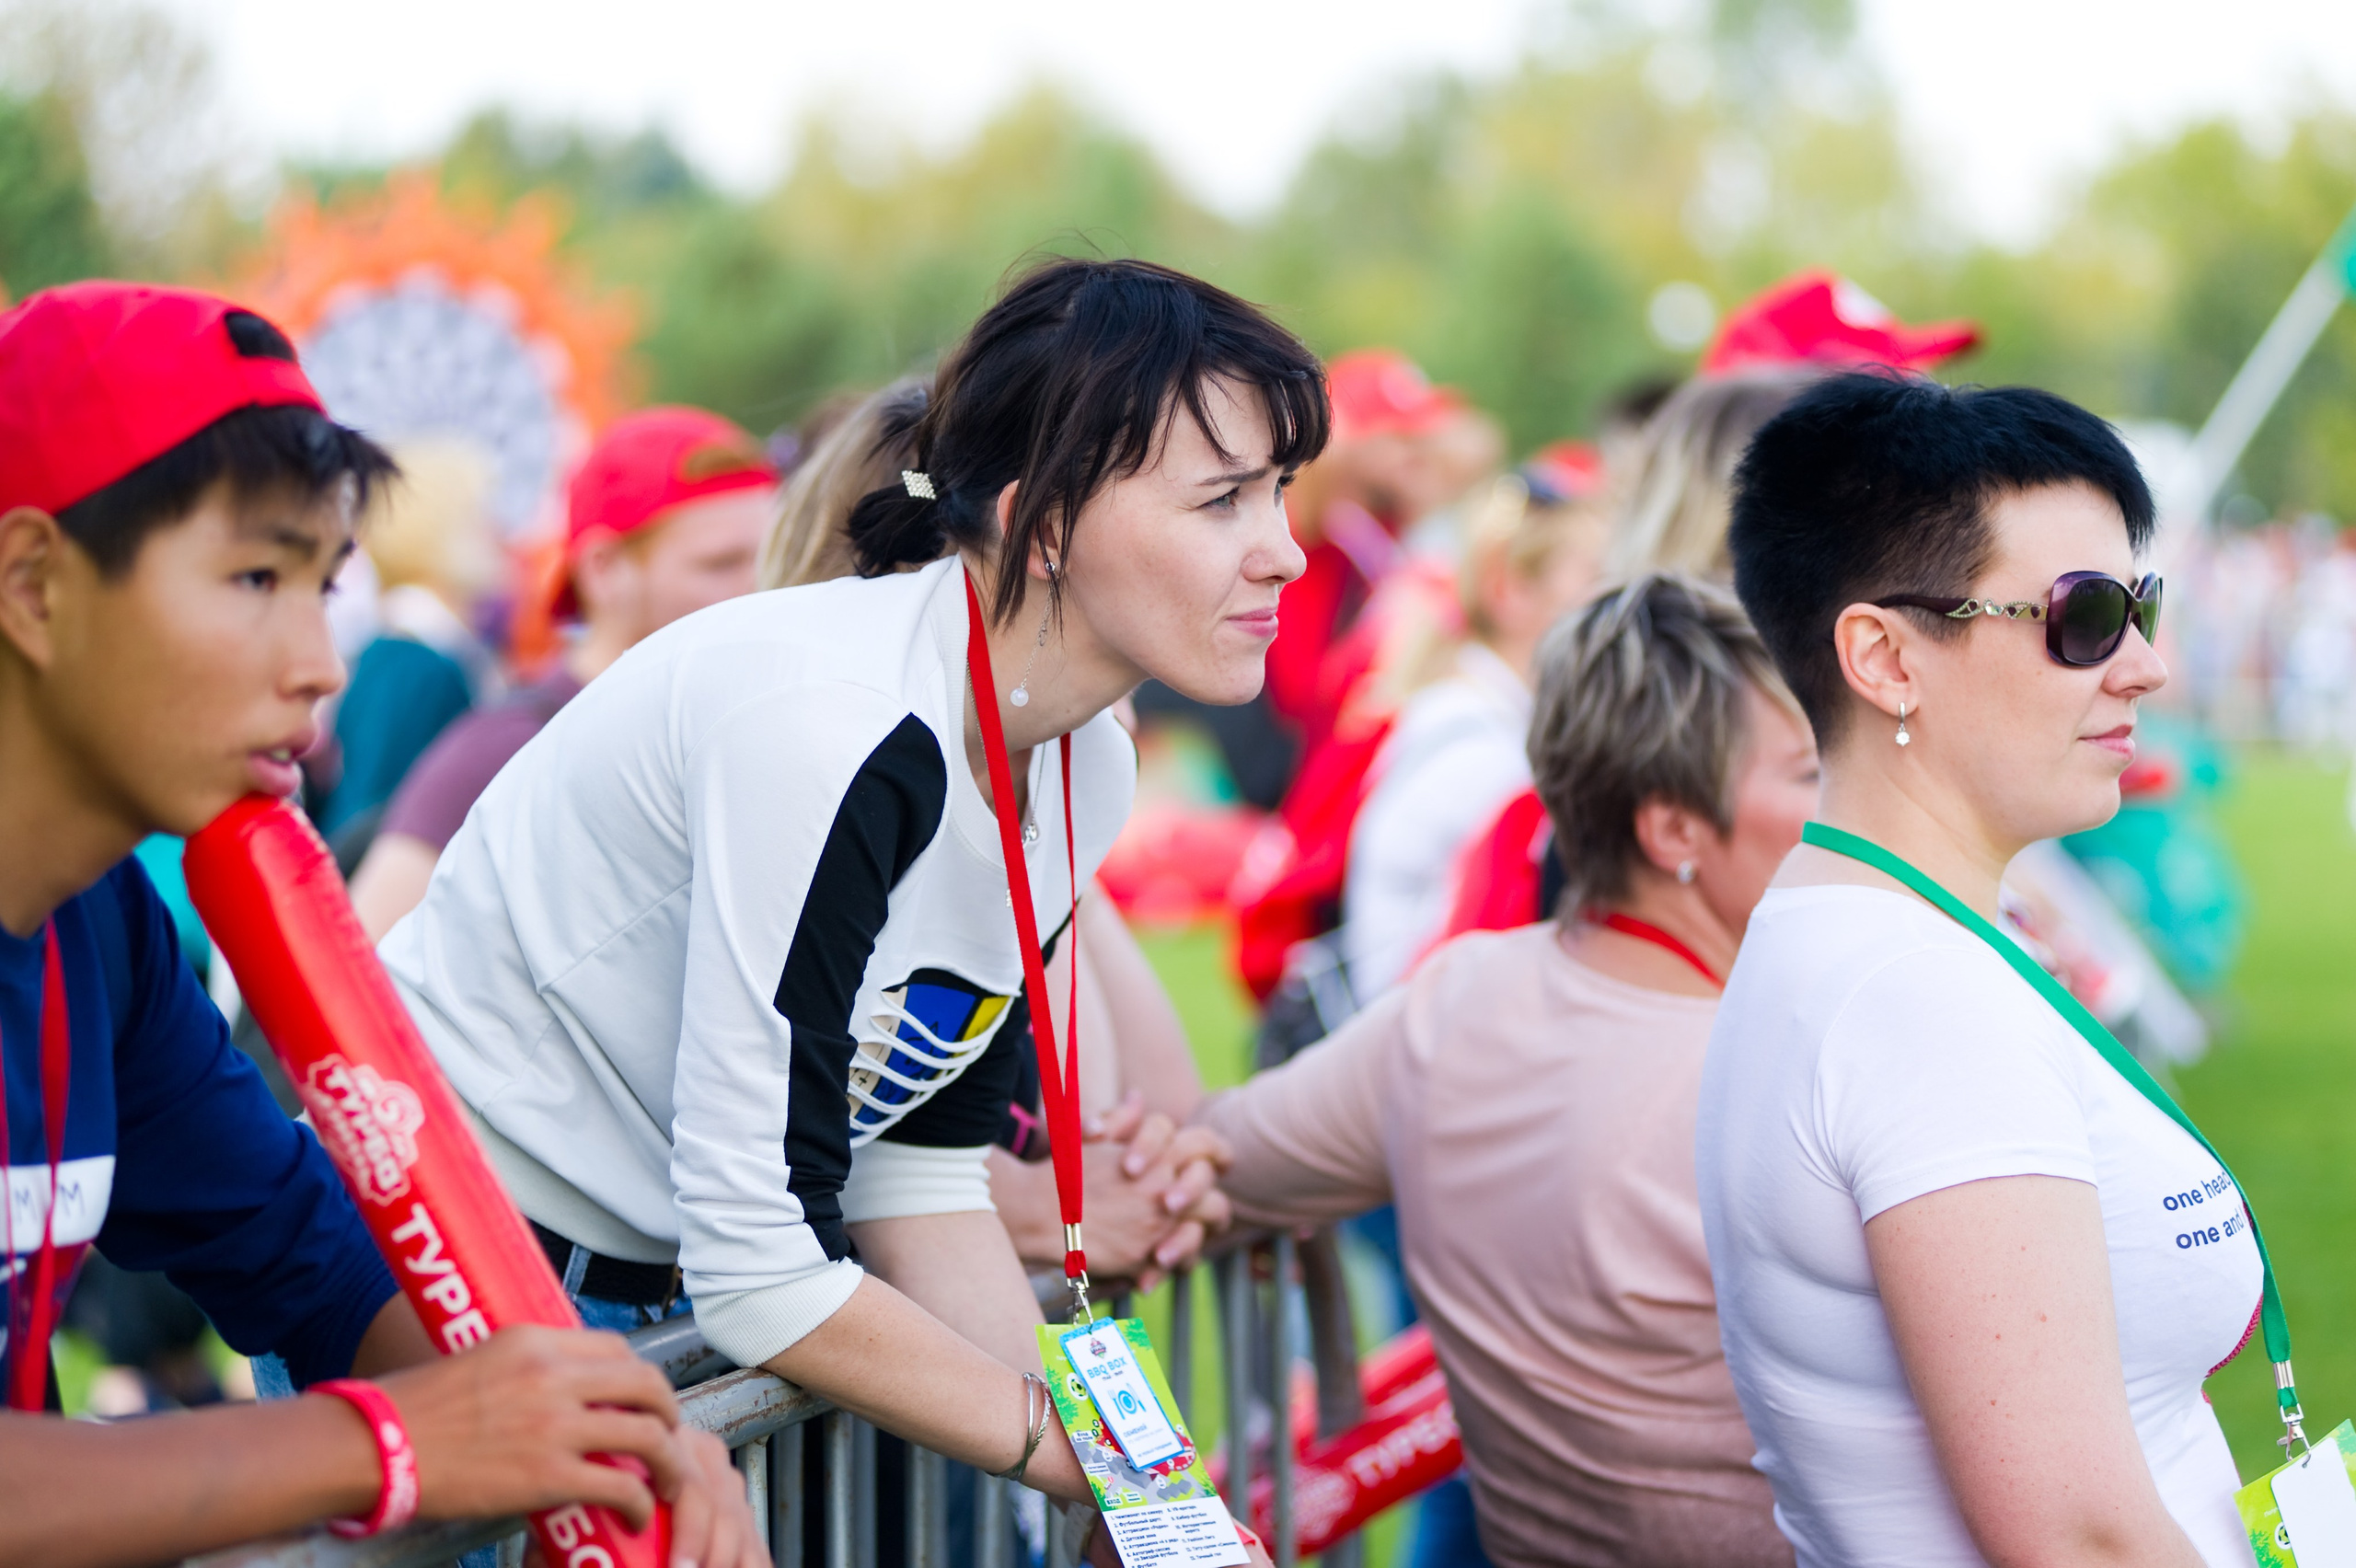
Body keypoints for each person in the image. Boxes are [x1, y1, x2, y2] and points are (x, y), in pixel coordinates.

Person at [377, 258, 1325, 1534]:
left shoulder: (1083, 751)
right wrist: (1087, 1466)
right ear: (1043, 527)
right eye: (1223, 501)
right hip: (453, 1268)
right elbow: (761, 1270)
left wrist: (1140, 1502)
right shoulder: (833, 730)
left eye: (1279, 492)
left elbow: (914, 1173)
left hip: (622, 1285)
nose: (1287, 552)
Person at [0, 281, 760, 1567]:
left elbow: (311, 1259)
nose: (320, 663)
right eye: (254, 576)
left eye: (323, 584)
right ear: (33, 585)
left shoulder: (105, 929)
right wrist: (395, 1442)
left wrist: (603, 1426)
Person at [1702, 372, 2257, 1566]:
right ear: (1886, 659)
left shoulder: (1872, 932)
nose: (2144, 667)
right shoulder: (1911, 999)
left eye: (2142, 606)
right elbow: (2077, 1538)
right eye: (2085, 616)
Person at [1197, 573, 1818, 1568]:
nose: (1851, 808)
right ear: (1673, 831)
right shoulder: (1794, 1065)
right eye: (1810, 773)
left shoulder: (1459, 1004)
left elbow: (1195, 1163)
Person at [750, 375, 1230, 1289]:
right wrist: (1038, 1204)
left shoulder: (1042, 792)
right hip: (859, 1337)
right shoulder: (836, 788)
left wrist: (1149, 1167)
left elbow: (1150, 1103)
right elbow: (795, 1142)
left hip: (937, 1336)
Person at [346, 406, 777, 941]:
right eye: (720, 564)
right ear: (602, 569)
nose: (764, 588)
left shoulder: (741, 727)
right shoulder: (506, 748)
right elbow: (359, 963)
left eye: (771, 557)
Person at [1339, 468, 1608, 1001]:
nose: (1611, 604)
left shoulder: (1483, 713)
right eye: (1593, 579)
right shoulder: (1480, 751)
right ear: (1508, 591)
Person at [315, 438, 504, 841]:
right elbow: (374, 813)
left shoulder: (405, 651)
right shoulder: (417, 662)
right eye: (478, 518)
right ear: (437, 532)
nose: (498, 534)